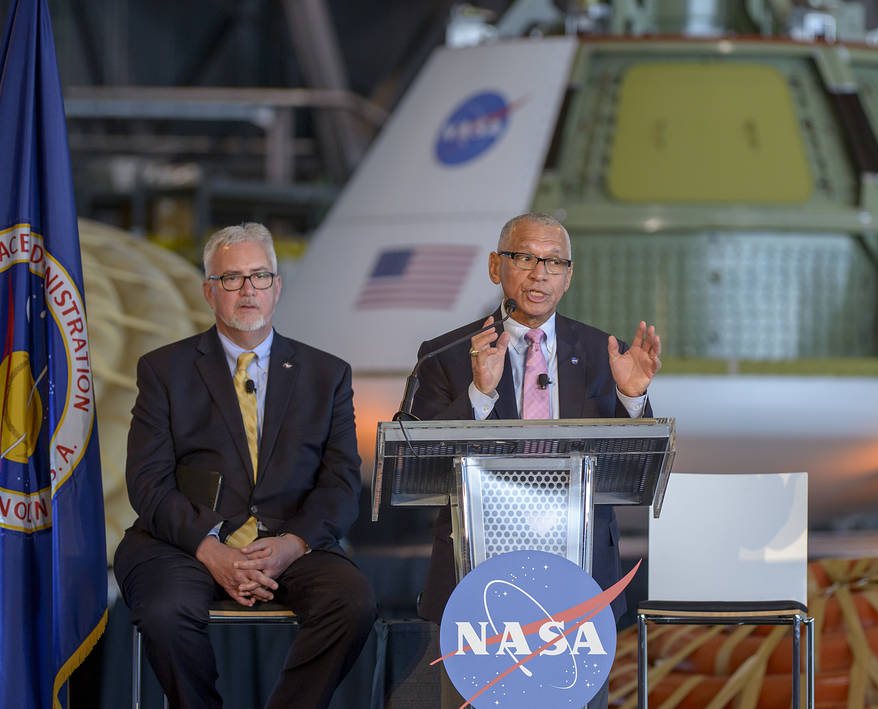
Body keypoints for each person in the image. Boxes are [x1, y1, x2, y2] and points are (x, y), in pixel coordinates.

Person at [114, 223, 375, 709]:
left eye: (259, 276)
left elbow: (340, 483)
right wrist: (211, 549)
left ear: (277, 287)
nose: (248, 290)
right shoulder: (163, 370)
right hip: (184, 543)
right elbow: (147, 483)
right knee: (166, 612)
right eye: (232, 279)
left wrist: (292, 544)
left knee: (352, 601)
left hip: (288, 539)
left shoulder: (327, 374)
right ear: (209, 292)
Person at [410, 212, 661, 705]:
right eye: (524, 257)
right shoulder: (447, 354)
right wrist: (479, 394)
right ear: (495, 266)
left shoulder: (603, 352)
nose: (539, 273)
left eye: (553, 262)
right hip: (476, 573)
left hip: (581, 570)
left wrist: (633, 400)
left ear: (569, 276)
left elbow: (634, 471)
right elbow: (425, 463)